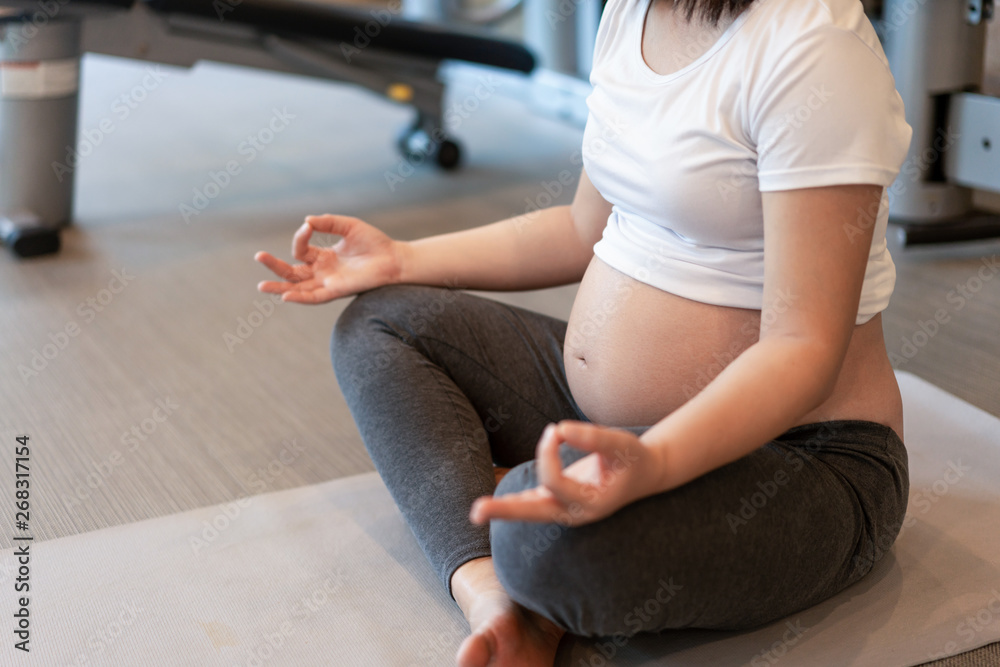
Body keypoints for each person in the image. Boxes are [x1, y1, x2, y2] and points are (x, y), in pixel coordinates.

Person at [255, 0, 913, 664]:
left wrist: (654, 463)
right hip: (602, 422)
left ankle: (531, 544)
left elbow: (804, 348)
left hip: (800, 459)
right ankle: (489, 592)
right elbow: (580, 230)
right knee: (381, 322)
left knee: (538, 528)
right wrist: (401, 258)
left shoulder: (813, 46)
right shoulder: (631, 12)